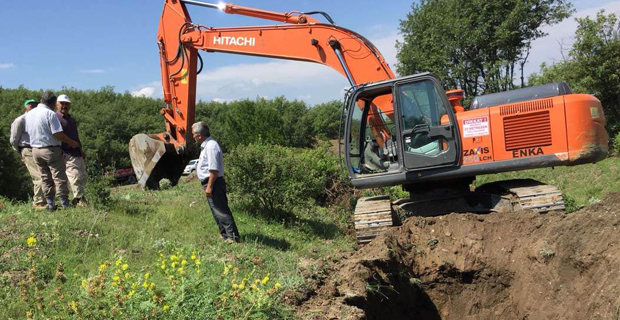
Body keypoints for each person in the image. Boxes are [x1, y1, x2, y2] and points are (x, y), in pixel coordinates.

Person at [25, 92, 80, 211]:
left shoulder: (30, 114)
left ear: (41, 100)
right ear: (53, 103)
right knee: (59, 177)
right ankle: (65, 204)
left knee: (45, 178)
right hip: (50, 149)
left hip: (35, 150)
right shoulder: (50, 113)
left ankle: (50, 204)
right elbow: (57, 133)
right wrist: (71, 142)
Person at [191, 121, 240, 242]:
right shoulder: (206, 146)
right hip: (210, 182)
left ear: (199, 135)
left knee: (221, 210)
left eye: (193, 134)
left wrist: (209, 186)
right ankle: (224, 234)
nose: (193, 137)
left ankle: (233, 237)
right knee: (215, 210)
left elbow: (214, 169)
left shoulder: (211, 146)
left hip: (214, 182)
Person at [9, 99, 47, 209]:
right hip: (27, 149)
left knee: (45, 175)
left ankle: (45, 201)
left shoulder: (37, 120)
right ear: (26, 107)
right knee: (38, 176)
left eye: (36, 105)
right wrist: (20, 152)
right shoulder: (20, 120)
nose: (33, 107)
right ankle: (39, 202)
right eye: (31, 105)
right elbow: (13, 139)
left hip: (39, 149)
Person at [56, 94, 88, 206]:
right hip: (66, 152)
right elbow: (56, 136)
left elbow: (76, 136)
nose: (64, 106)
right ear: (57, 104)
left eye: (67, 104)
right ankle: (79, 199)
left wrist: (81, 150)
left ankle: (79, 198)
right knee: (74, 176)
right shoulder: (56, 118)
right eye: (62, 103)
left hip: (76, 152)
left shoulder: (71, 118)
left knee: (82, 176)